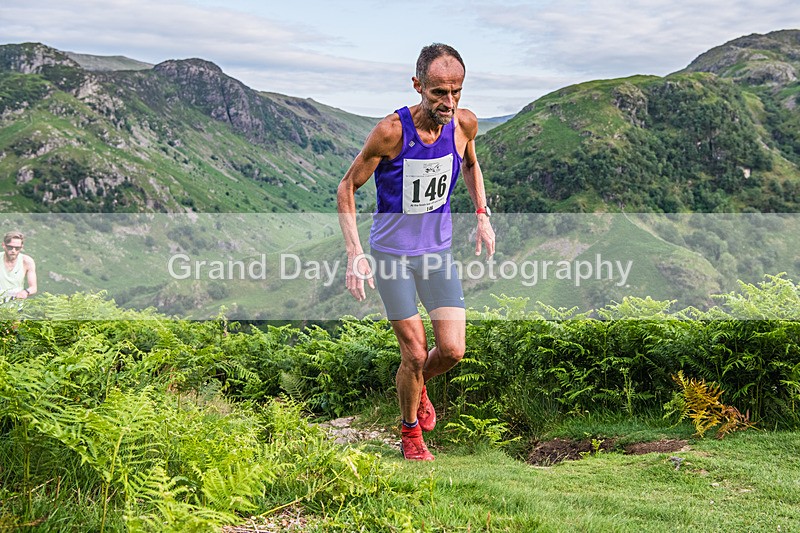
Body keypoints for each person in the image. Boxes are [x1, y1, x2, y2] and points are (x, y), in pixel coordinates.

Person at [337, 43, 495, 461]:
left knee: (453, 350)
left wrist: (482, 213)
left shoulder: (464, 125)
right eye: (439, 92)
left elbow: (470, 164)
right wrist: (355, 253)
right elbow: (347, 187)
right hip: (391, 256)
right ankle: (410, 432)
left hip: (437, 253)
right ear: (418, 85)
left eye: (456, 92)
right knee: (414, 352)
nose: (449, 102)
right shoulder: (391, 132)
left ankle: (417, 384)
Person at [1, 231, 37, 302]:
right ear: (3, 245)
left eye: (17, 248)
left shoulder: (27, 261)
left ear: (21, 247)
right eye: (10, 247)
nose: (13, 251)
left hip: (16, 304)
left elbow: (33, 287)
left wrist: (25, 292)